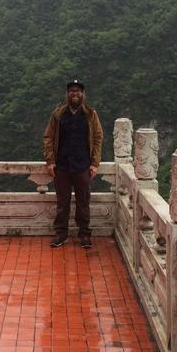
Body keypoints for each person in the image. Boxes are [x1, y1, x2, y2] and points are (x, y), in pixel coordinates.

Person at [43, 79, 103, 248]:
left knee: (83, 202)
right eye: (71, 91)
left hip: (83, 166)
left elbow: (98, 138)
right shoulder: (58, 114)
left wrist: (95, 163)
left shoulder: (91, 115)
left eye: (77, 91)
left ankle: (84, 234)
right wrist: (50, 161)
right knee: (62, 202)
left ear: (83, 94)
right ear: (67, 94)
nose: (74, 94)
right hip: (61, 166)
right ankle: (61, 234)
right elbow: (48, 137)